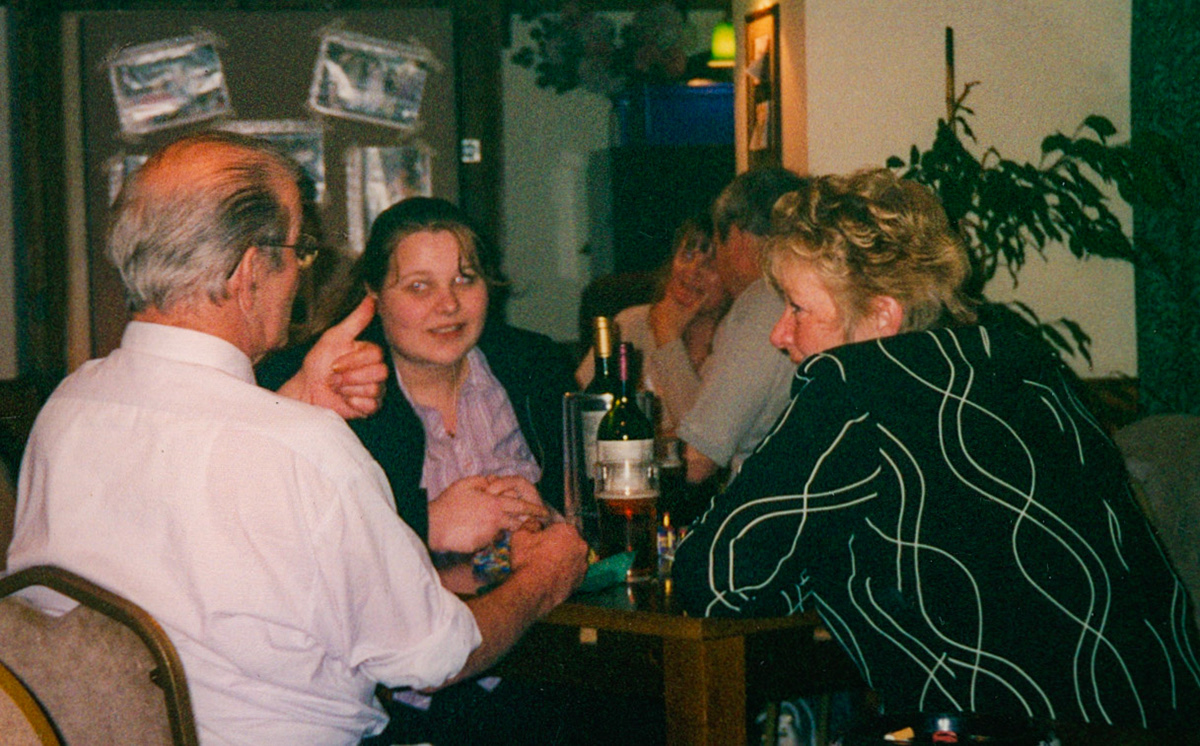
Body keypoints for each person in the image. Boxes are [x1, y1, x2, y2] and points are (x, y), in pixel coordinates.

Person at [6, 132, 588, 745]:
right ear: (252, 270)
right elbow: (434, 657)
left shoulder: (69, 406)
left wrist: (291, 404)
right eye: (299, 250)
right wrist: (543, 576)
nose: (302, 274)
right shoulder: (303, 449)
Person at [673, 168, 1200, 732]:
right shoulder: (1023, 364)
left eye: (798, 309)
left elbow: (713, 579)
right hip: (1165, 714)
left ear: (881, 315)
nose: (780, 333)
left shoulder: (854, 386)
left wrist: (813, 565)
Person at [258, 196, 575, 560]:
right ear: (373, 295)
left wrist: (551, 514)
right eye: (419, 287)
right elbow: (295, 541)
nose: (449, 305)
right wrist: (423, 525)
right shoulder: (332, 385)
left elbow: (593, 501)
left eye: (464, 279)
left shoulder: (537, 365)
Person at [674, 167, 809, 483]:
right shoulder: (806, 292)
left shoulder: (765, 299)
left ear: (735, 234)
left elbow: (698, 459)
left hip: (761, 506)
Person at [575, 212, 729, 435]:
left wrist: (668, 337)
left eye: (709, 265)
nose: (692, 271)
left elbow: (702, 438)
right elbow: (581, 409)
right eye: (686, 255)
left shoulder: (734, 339)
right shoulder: (630, 323)